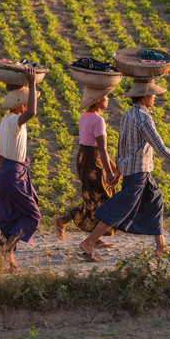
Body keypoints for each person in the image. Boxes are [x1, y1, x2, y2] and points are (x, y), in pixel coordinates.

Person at [79, 80, 170, 261]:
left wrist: (119, 170)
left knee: (155, 201)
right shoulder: (144, 118)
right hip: (139, 171)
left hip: (135, 169)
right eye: (152, 94)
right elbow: (160, 147)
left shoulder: (127, 115)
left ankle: (161, 246)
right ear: (144, 97)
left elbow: (122, 145)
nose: (154, 97)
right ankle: (89, 242)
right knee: (120, 206)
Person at [0, 67, 40, 271]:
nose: (27, 105)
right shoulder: (16, 121)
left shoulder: (5, 121)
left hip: (3, 173)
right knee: (33, 215)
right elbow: (33, 112)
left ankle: (5, 259)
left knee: (9, 215)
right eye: (24, 102)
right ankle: (5, 251)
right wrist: (32, 83)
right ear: (20, 105)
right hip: (13, 174)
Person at [52, 94, 119, 247]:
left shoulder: (84, 116)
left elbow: (96, 146)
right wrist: (109, 172)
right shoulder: (98, 120)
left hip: (84, 159)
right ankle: (67, 223)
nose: (108, 99)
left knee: (94, 197)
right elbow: (102, 148)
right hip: (93, 162)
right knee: (104, 198)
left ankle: (88, 234)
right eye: (106, 97)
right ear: (97, 99)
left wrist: (111, 167)